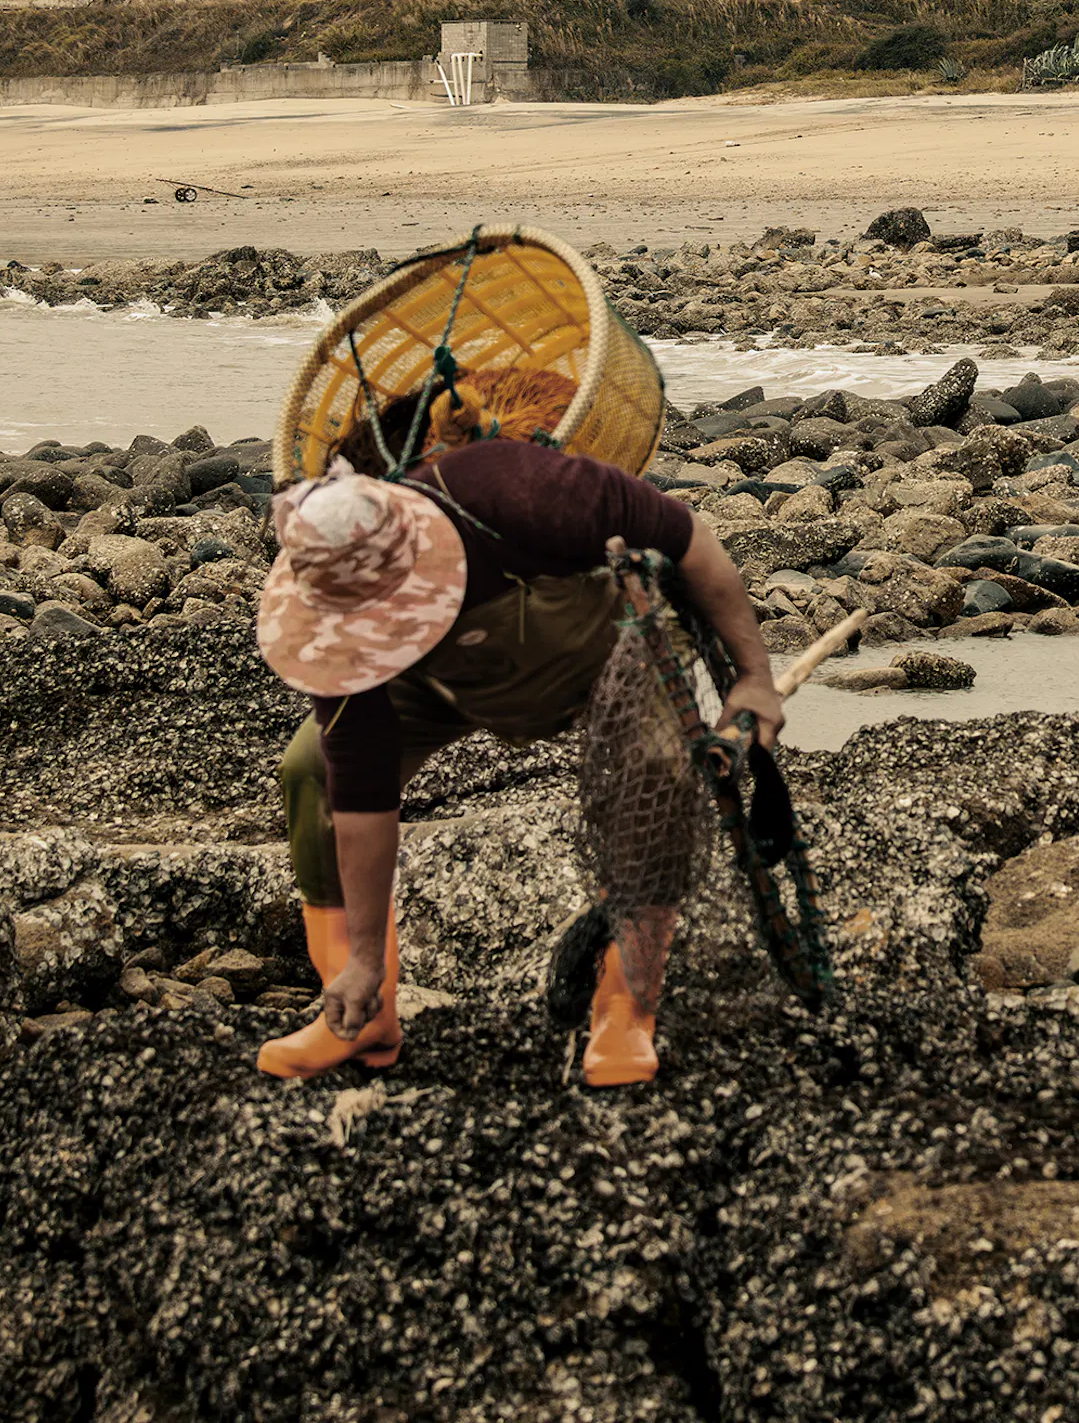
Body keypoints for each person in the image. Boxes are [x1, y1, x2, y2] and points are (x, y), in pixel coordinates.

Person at [252, 382, 783, 1088]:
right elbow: (361, 799)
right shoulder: (341, 623)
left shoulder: (521, 490)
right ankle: (363, 1013)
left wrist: (754, 677)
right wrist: (365, 961)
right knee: (310, 768)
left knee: (658, 774)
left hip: (605, 655)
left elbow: (692, 542)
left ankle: (626, 1010)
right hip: (442, 682)